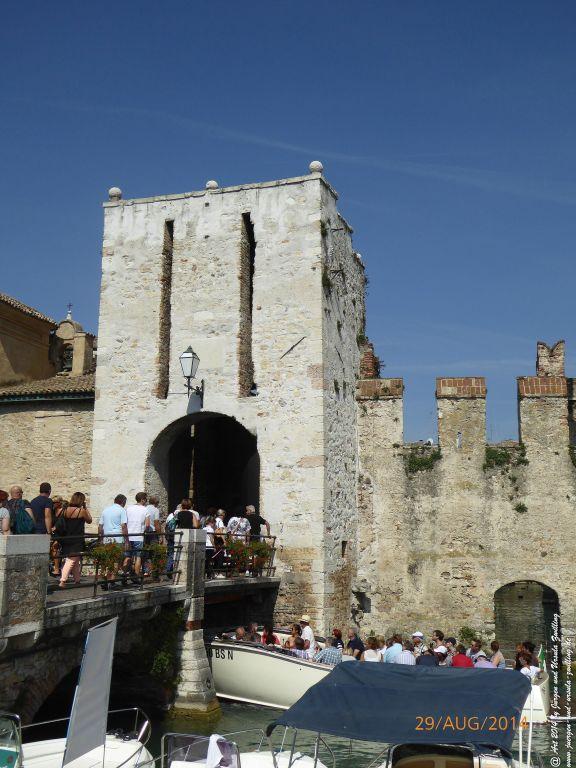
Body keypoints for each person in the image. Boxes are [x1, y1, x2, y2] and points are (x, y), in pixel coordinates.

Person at [59, 492, 92, 587]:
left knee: (75, 560)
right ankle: (63, 580)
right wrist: (85, 508)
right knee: (71, 560)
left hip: (66, 537)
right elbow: (89, 520)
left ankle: (77, 580)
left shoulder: (65, 510)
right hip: (77, 538)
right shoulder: (81, 511)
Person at [98, 494, 129, 588]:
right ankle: (112, 580)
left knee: (106, 559)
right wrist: (127, 540)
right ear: (123, 502)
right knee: (116, 559)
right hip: (118, 538)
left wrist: (100, 538)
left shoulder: (105, 510)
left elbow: (100, 526)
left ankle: (104, 580)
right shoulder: (122, 510)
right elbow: (123, 526)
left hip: (106, 538)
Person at [125, 492, 151, 576]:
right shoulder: (145, 509)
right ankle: (136, 576)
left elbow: (125, 522)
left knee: (128, 556)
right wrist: (145, 532)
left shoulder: (128, 508)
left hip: (128, 536)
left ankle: (125, 575)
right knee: (138, 557)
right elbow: (147, 525)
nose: (146, 501)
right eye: (146, 499)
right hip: (139, 536)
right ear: (143, 499)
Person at [50, 495, 67, 577]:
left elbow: (62, 522)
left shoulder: (64, 511)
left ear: (59, 503)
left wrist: (55, 527)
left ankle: (56, 569)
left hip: (61, 533)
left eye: (55, 502)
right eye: (52, 502)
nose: (53, 504)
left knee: (55, 547)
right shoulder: (53, 511)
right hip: (54, 533)